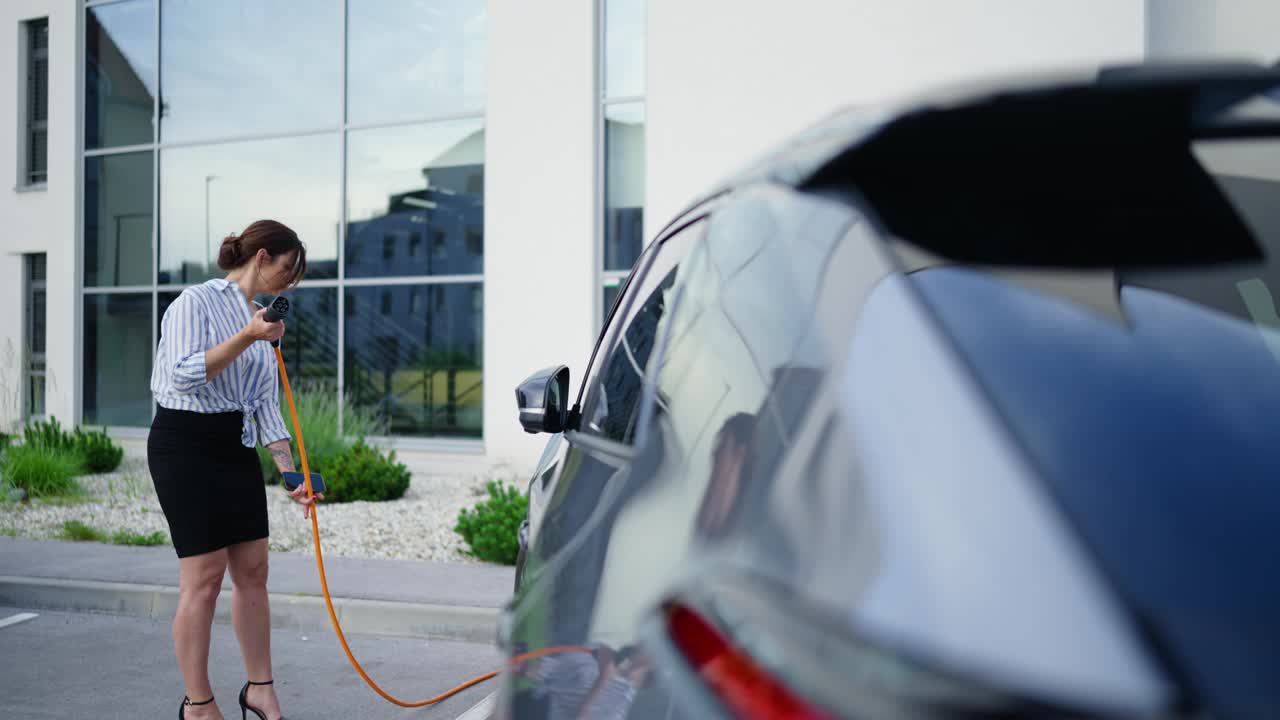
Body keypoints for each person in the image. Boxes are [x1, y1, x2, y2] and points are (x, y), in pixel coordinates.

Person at [148, 219, 321, 720]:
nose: (289, 283)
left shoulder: (263, 322)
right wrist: (248, 335)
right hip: (183, 445)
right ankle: (198, 704)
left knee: (254, 571)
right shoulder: (194, 302)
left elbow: (266, 404)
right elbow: (180, 374)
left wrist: (290, 474)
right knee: (203, 577)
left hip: (234, 445)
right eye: (287, 270)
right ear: (262, 257)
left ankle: (260, 689)